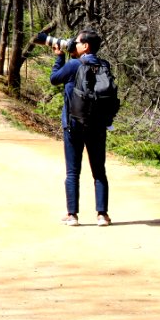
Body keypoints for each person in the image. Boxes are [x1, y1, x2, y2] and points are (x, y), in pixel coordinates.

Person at [49, 28, 111, 227]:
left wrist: (59, 57)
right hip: (98, 126)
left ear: (85, 46)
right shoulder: (104, 65)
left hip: (73, 124)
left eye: (76, 42)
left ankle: (72, 215)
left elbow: (54, 79)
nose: (73, 45)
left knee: (72, 172)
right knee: (99, 172)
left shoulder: (74, 64)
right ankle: (102, 215)